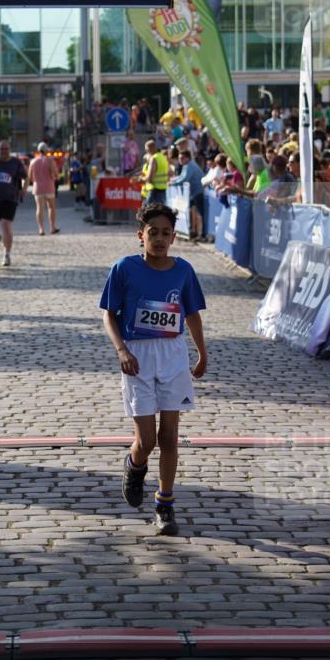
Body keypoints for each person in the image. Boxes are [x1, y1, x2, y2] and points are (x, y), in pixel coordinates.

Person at [100, 204, 207, 536]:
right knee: (146, 440)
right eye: (153, 233)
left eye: (166, 233)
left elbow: (191, 315)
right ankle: (135, 465)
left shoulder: (184, 271)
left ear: (174, 236)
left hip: (172, 355)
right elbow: (109, 314)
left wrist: (201, 353)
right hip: (138, 357)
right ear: (140, 236)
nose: (159, 239)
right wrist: (121, 350)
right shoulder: (124, 269)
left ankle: (165, 505)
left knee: (169, 436)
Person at [169, 150, 205, 240]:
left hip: (198, 192)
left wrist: (172, 183)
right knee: (193, 212)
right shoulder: (187, 165)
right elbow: (181, 177)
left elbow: (185, 178)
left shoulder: (190, 165)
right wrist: (173, 181)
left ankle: (201, 234)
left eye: (182, 158)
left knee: (199, 214)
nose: (180, 160)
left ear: (187, 158)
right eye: (179, 158)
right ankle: (194, 231)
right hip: (194, 193)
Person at [28, 142, 60, 235]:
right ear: (46, 150)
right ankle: (52, 227)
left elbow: (29, 176)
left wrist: (36, 180)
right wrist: (55, 178)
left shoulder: (33, 161)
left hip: (38, 187)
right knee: (51, 207)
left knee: (39, 208)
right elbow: (56, 174)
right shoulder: (50, 160)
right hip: (49, 186)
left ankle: (41, 229)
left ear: (38, 150)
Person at [139, 139, 169, 205]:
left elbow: (149, 178)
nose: (146, 151)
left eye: (146, 150)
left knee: (147, 213)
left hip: (154, 191)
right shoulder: (163, 157)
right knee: (159, 212)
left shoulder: (154, 158)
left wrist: (141, 179)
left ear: (150, 149)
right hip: (163, 190)